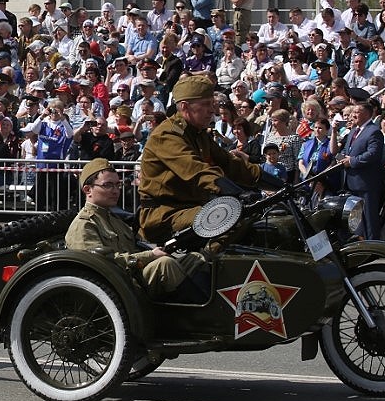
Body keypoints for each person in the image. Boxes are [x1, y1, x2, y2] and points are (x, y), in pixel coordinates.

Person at [136, 75, 264, 245]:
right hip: (164, 214)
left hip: (190, 208)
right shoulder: (167, 135)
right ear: (185, 107)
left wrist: (274, 182)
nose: (212, 110)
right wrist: (237, 193)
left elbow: (229, 163)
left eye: (212, 104)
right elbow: (197, 171)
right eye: (205, 104)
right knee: (228, 218)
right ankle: (203, 264)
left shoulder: (198, 133)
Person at [65, 157, 205, 300]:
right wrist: (150, 256)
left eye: (117, 185)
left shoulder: (114, 219)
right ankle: (199, 317)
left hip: (134, 274)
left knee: (195, 259)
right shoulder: (84, 225)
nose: (115, 191)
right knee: (165, 264)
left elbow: (135, 248)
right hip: (120, 285)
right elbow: (101, 266)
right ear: (88, 190)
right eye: (108, 185)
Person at [339, 94, 385, 242]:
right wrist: (342, 158)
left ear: (367, 113)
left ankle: (373, 244)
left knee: (369, 216)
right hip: (352, 181)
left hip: (366, 182)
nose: (353, 115)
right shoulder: (353, 131)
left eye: (356, 112)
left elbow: (373, 154)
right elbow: (348, 150)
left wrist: (352, 161)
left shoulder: (374, 131)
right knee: (356, 217)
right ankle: (362, 243)